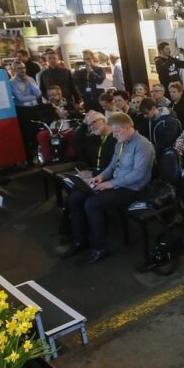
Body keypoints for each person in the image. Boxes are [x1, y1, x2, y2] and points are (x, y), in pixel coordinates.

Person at [62, 112, 155, 264]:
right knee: (76, 197)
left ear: (127, 127)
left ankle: (100, 247)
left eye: (116, 132)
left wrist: (111, 184)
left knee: (92, 204)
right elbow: (112, 166)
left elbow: (138, 175)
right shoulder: (121, 142)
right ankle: (80, 240)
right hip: (118, 183)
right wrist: (101, 177)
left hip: (132, 189)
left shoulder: (143, 144)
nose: (114, 136)